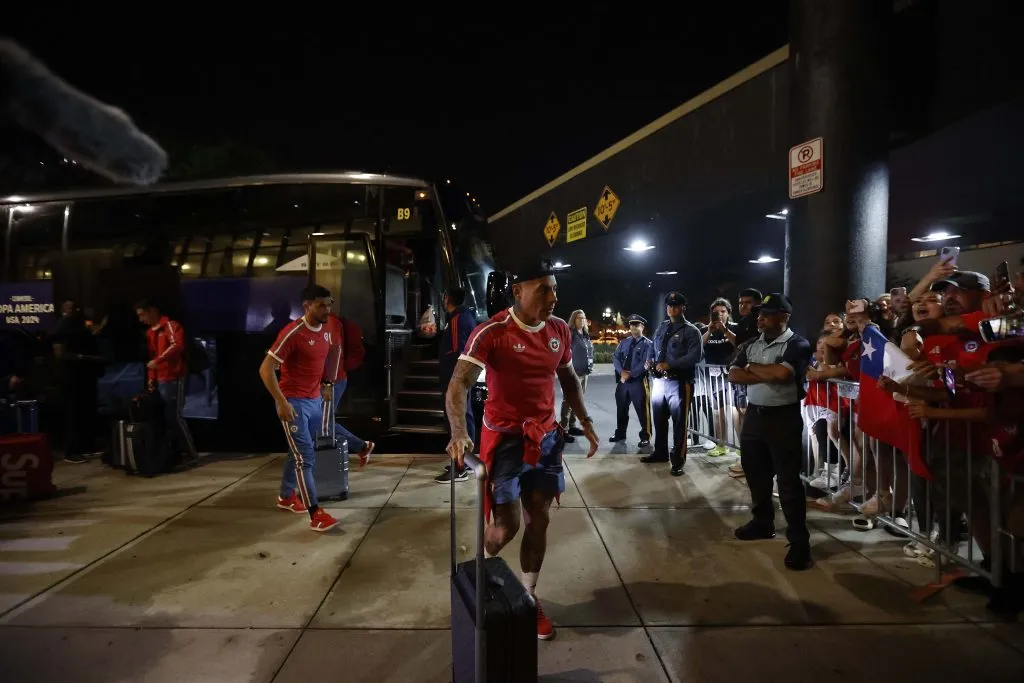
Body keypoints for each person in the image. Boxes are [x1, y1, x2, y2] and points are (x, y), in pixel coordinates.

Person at [444, 259, 599, 641]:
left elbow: (570, 379)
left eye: (555, 290)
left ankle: (529, 599)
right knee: (505, 526)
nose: (553, 298)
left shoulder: (560, 329)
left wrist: (588, 423)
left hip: (545, 439)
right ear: (518, 291)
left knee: (539, 519)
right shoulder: (491, 331)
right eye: (543, 289)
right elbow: (459, 384)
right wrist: (459, 432)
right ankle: (480, 574)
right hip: (506, 440)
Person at [727, 293, 814, 571]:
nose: (760, 317)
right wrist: (763, 370)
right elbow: (734, 374)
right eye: (759, 313)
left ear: (784, 317)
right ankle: (762, 523)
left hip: (783, 418)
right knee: (756, 476)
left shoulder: (797, 344)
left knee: (788, 484)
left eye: (767, 313)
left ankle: (800, 543)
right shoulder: (752, 343)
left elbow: (783, 375)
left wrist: (753, 368)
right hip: (755, 416)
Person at [258, 284, 340, 533]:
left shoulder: (326, 330)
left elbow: (326, 357)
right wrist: (282, 402)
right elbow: (266, 369)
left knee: (298, 453)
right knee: (306, 457)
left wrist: (326, 383)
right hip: (293, 403)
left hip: (314, 400)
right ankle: (316, 514)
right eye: (321, 305)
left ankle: (286, 496)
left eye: (329, 303)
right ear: (306, 306)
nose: (327, 309)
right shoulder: (292, 333)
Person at [643, 292, 703, 475]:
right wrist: (649, 361)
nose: (672, 309)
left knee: (679, 425)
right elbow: (653, 346)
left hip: (679, 382)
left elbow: (695, 356)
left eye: (676, 306)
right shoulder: (662, 327)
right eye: (669, 305)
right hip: (659, 382)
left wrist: (670, 364)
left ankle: (678, 461)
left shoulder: (692, 331)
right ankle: (660, 452)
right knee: (659, 421)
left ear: (683, 308)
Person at [136, 299, 198, 466]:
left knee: (174, 416)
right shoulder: (150, 332)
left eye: (143, 315)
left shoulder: (170, 325)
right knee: (167, 416)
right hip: (161, 378)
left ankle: (190, 453)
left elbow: (177, 344)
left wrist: (158, 361)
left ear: (152, 311)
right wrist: (151, 377)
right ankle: (174, 452)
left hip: (174, 376)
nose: (141, 319)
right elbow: (152, 357)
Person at [434, 287, 480, 484]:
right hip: (459, 379)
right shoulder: (466, 317)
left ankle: (460, 466)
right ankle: (465, 462)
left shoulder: (456, 320)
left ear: (447, 298)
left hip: (454, 379)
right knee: (464, 415)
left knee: (458, 419)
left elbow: (456, 353)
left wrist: (453, 384)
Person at [53, 301, 104, 463]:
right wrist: (87, 358)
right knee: (73, 414)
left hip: (85, 377)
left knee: (85, 412)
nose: (75, 311)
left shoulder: (78, 326)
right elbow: (60, 353)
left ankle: (85, 446)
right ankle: (71, 451)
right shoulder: (63, 326)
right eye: (70, 309)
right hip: (72, 378)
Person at [321, 312, 374, 465]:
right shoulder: (329, 321)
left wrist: (328, 383)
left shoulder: (330, 322)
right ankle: (361, 446)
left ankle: (361, 446)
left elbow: (334, 351)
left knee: (322, 424)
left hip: (331, 382)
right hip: (331, 381)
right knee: (322, 423)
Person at [610, 313, 653, 448]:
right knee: (621, 409)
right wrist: (621, 372)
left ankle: (645, 437)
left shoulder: (648, 344)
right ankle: (620, 433)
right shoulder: (624, 342)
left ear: (642, 326)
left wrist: (631, 373)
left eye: (636, 324)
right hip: (623, 381)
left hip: (638, 381)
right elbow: (616, 358)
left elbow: (646, 362)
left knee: (642, 410)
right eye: (631, 324)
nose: (633, 327)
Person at [560, 309, 595, 443]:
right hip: (573, 374)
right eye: (579, 318)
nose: (582, 320)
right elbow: (564, 353)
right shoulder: (570, 334)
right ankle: (564, 429)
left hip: (584, 373)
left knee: (578, 400)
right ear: (574, 320)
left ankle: (573, 425)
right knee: (568, 401)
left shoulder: (585, 335)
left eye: (584, 318)